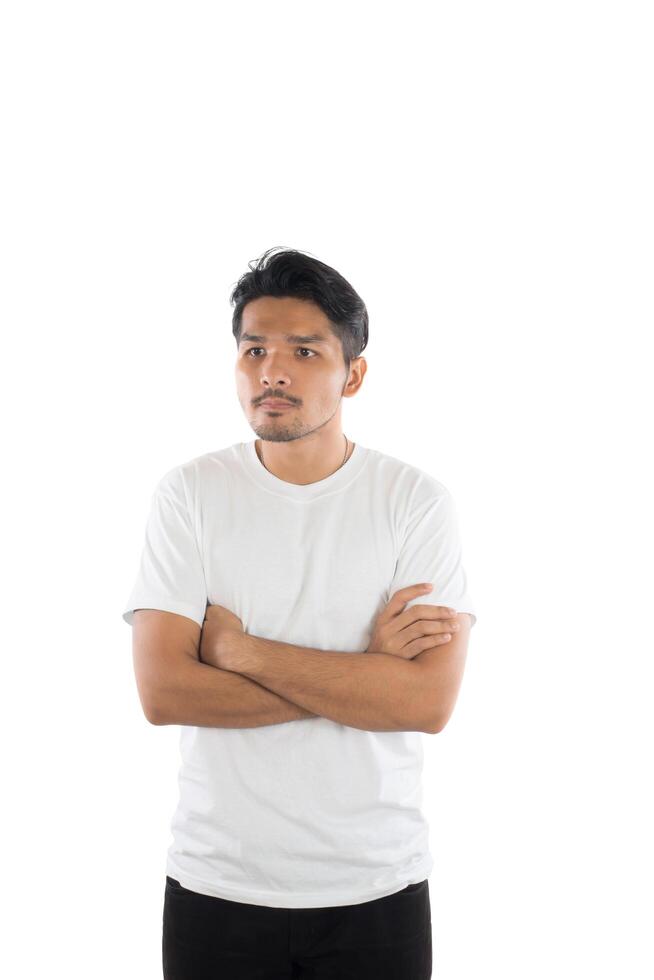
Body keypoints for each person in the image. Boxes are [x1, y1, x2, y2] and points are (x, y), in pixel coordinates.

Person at [122, 246, 477, 979]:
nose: (272, 371)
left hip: (375, 886)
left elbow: (425, 702)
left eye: (304, 351)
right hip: (217, 884)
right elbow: (163, 694)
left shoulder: (414, 503)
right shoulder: (190, 494)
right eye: (254, 349)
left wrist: (240, 653)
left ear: (354, 373)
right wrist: (363, 681)